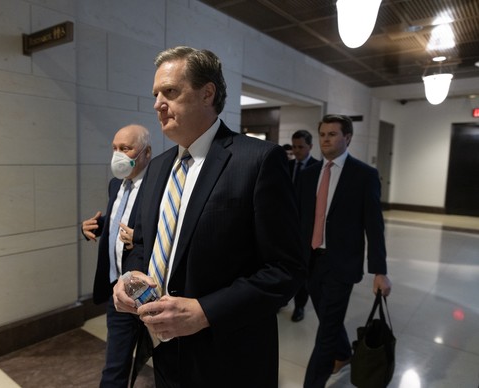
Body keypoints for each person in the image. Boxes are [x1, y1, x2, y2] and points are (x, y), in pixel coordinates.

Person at [113, 46, 306, 387]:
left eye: (170, 92)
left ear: (207, 93)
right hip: (164, 349)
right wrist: (129, 277)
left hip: (229, 354)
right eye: (156, 94)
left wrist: (204, 312)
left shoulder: (258, 160)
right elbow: (143, 242)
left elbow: (285, 270)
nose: (158, 103)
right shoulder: (157, 168)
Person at [296, 114, 392, 388]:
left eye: (333, 134)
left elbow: (374, 226)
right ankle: (343, 354)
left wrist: (379, 271)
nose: (326, 139)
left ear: (347, 138)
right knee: (329, 317)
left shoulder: (364, 175)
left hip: (341, 263)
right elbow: (300, 220)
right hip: (311, 261)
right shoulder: (308, 174)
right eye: (323, 134)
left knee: (325, 331)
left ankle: (312, 383)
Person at [81, 124, 152, 388]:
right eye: (114, 148)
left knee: (170, 363)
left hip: (150, 289)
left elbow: (170, 229)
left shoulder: (159, 184)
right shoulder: (116, 185)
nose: (118, 155)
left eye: (126, 148)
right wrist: (93, 227)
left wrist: (141, 236)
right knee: (115, 366)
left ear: (146, 153)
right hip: (118, 291)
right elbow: (117, 221)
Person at [287, 129, 318, 322]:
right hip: (285, 225)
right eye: (294, 147)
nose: (297, 151)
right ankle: (283, 298)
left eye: (301, 147)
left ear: (310, 147)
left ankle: (300, 306)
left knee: (303, 268)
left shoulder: (317, 168)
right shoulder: (286, 165)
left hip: (306, 228)